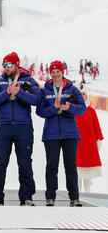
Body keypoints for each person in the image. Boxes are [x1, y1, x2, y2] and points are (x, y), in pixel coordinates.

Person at [0, 52, 41, 206]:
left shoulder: (29, 81)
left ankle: (27, 197)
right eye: (4, 65)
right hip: (3, 127)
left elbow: (38, 99)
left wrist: (20, 93)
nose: (6, 68)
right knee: (0, 162)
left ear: (16, 64)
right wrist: (7, 93)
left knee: (25, 163)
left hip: (23, 127)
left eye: (9, 65)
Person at [36, 60, 87, 207]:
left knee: (70, 165)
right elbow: (39, 111)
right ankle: (50, 197)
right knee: (51, 166)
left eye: (58, 71)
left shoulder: (72, 89)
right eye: (53, 72)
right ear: (50, 74)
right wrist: (54, 108)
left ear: (62, 72)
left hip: (70, 134)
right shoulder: (45, 90)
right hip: (51, 134)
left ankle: (74, 198)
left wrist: (69, 107)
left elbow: (82, 109)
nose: (55, 74)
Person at [75, 90, 104, 193]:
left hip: (89, 144)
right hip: (76, 144)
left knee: (88, 171)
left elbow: (96, 126)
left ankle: (88, 193)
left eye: (84, 95)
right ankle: (76, 193)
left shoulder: (91, 111)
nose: (82, 98)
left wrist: (98, 139)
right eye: (80, 95)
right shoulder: (73, 111)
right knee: (76, 170)